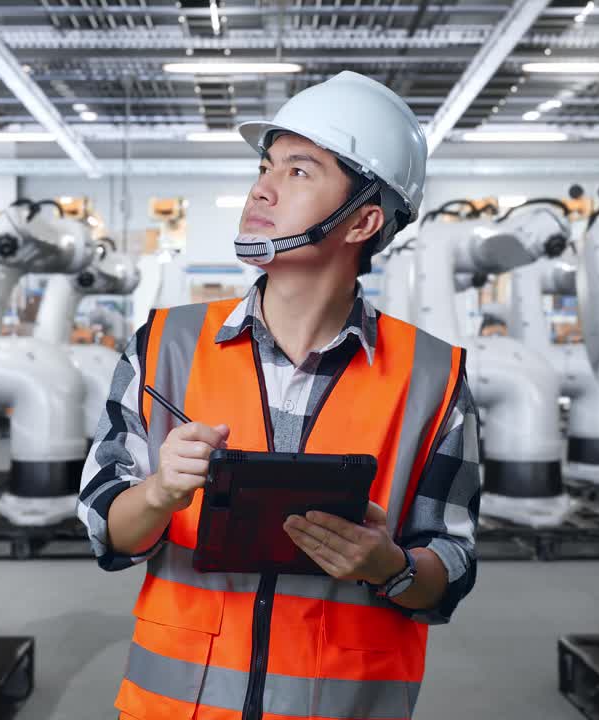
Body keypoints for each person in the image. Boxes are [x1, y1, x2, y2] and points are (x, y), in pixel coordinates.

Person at [77, 71, 481, 720]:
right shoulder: (165, 346)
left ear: (364, 220)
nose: (260, 187)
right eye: (266, 166)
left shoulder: (432, 375)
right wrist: (157, 493)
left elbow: (451, 568)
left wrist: (389, 566)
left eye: (299, 172)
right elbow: (106, 531)